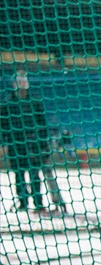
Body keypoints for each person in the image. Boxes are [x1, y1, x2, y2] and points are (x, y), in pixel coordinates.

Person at [1, 72, 50, 212]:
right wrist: (2, 143)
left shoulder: (35, 102)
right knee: (19, 174)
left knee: (35, 173)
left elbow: (42, 124)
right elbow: (3, 126)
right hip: (16, 143)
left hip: (33, 143)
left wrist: (44, 144)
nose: (22, 85)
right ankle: (23, 202)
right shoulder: (7, 104)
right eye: (19, 82)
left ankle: (38, 202)